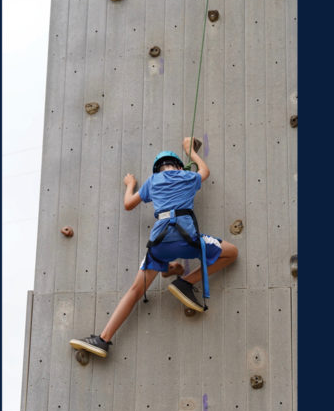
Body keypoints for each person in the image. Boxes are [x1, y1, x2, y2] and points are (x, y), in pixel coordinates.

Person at [69, 137, 238, 357]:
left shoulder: (152, 180)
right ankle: (185, 282)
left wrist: (130, 184)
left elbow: (128, 204)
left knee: (136, 290)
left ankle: (103, 339)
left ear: (158, 168)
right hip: (189, 241)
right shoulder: (188, 176)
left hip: (159, 245)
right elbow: (205, 171)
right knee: (231, 253)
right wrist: (191, 151)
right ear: (179, 165)